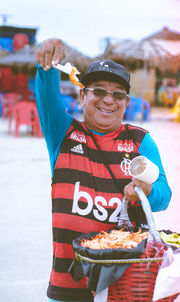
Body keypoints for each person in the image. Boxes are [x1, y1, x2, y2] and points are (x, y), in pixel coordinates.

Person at [36, 38, 172, 302]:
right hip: (67, 284)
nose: (108, 100)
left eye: (118, 94)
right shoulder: (62, 132)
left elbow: (164, 195)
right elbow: (46, 90)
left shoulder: (140, 140)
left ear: (126, 102)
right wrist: (47, 62)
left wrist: (145, 190)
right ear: (83, 95)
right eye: (99, 91)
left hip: (123, 286)